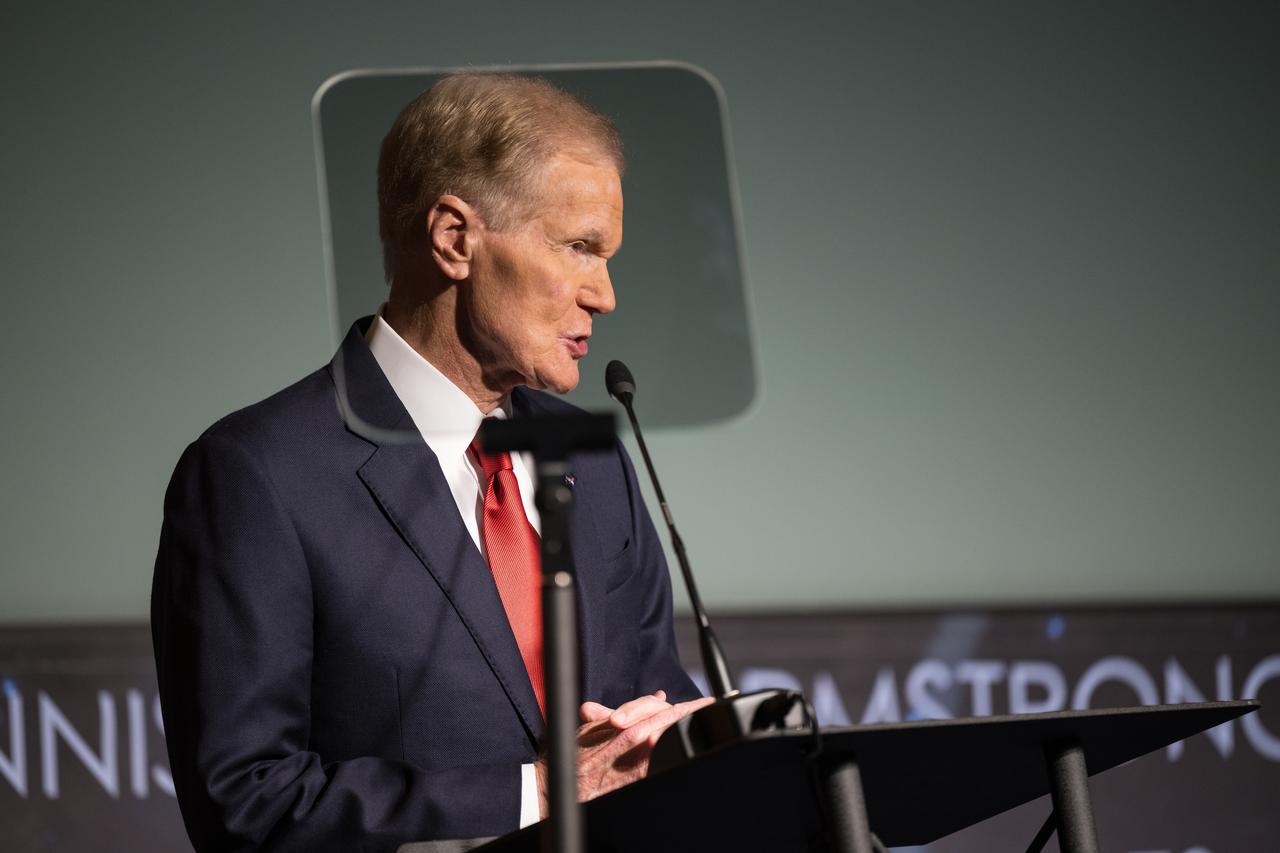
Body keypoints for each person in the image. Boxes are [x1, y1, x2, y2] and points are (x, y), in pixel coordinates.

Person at [151, 73, 709, 853]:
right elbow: (247, 800)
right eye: (580, 247)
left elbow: (654, 700)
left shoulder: (595, 456)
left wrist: (707, 739)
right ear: (454, 237)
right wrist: (537, 794)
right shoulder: (257, 476)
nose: (605, 294)